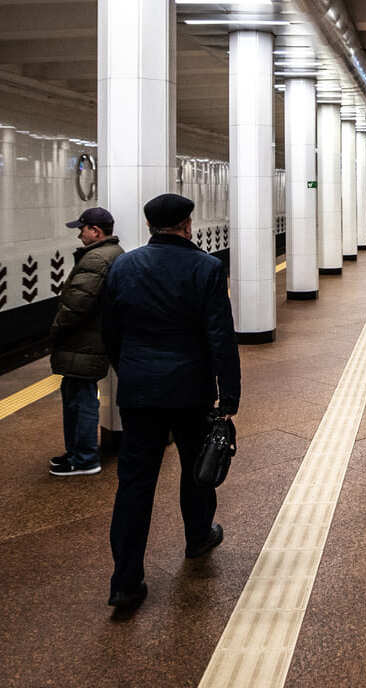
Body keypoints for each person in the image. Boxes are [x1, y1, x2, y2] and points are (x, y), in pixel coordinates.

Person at [102, 193, 241, 613]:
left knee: (134, 483)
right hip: (190, 388)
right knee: (195, 468)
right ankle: (198, 536)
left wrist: (129, 369)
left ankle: (126, 582)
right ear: (186, 224)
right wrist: (229, 393)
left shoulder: (123, 266)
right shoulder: (206, 268)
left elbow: (109, 330)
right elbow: (220, 335)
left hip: (140, 389)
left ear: (149, 226)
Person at [47, 206, 124, 477]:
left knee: (81, 399)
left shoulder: (96, 259)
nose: (79, 234)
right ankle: (77, 453)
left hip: (84, 341)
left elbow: (77, 305)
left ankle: (84, 458)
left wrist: (55, 331)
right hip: (92, 340)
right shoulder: (112, 254)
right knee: (78, 395)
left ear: (95, 230)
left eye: (82, 229)